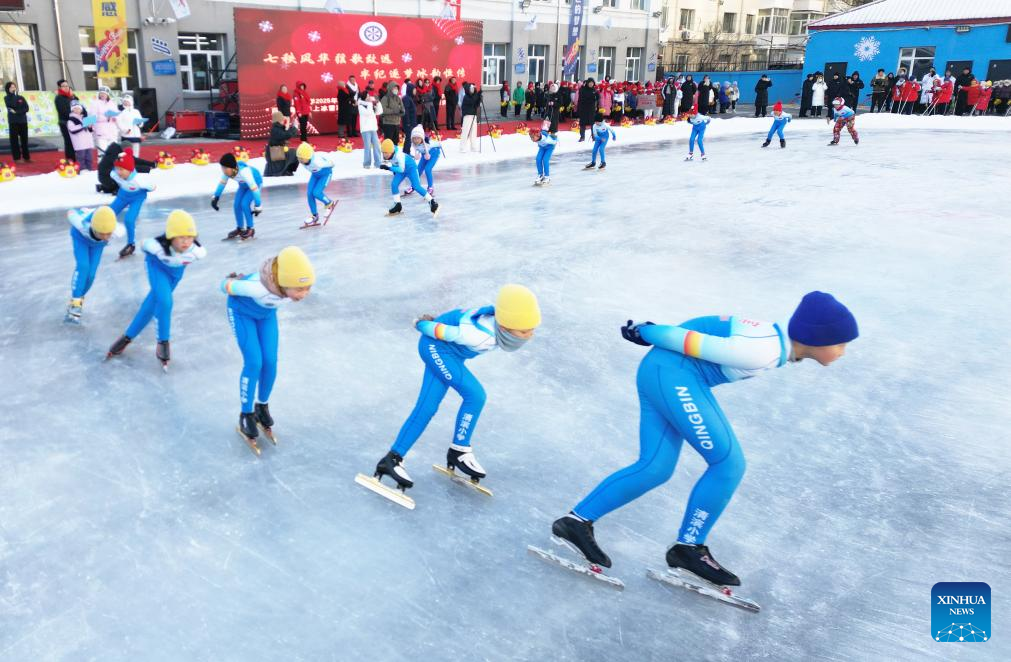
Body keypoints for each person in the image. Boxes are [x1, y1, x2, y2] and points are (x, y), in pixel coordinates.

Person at [549, 292, 858, 588]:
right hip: (673, 375)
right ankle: (689, 548)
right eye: (841, 343)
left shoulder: (771, 340)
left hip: (663, 373)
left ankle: (575, 522)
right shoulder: (763, 350)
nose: (843, 351)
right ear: (818, 339)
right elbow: (686, 340)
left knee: (655, 467)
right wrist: (646, 331)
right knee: (728, 464)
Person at [370, 285, 541, 494]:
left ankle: (393, 459)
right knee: (475, 395)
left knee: (427, 406)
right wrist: (421, 323)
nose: (530, 335)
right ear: (504, 327)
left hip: (451, 353)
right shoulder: (479, 335)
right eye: (524, 331)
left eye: (532, 329)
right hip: (436, 347)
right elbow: (441, 331)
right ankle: (458, 451)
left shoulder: (500, 323)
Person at [222, 246, 315, 453]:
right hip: (241, 313)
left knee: (270, 362)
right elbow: (224, 286)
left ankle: (261, 406)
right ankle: (246, 414)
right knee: (254, 362)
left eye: (308, 288)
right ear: (284, 284)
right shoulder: (257, 288)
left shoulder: (287, 285)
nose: (304, 294)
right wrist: (233, 281)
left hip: (265, 316)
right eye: (300, 289)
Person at [106, 210, 206, 369]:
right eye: (181, 237)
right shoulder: (155, 247)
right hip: (157, 269)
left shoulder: (197, 252)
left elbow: (192, 251)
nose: (186, 242)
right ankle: (163, 342)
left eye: (189, 237)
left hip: (175, 276)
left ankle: (127, 337)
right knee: (165, 302)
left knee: (152, 305)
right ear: (171, 236)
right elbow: (143, 244)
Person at [64, 206, 124, 324]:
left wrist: (103, 237)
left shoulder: (117, 231)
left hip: (97, 245)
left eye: (109, 234)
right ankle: (76, 305)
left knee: (91, 275)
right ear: (94, 228)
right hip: (80, 239)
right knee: (83, 266)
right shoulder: (82, 224)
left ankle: (77, 300)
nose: (106, 237)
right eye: (102, 233)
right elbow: (70, 212)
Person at [109, 150, 156, 258]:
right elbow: (115, 169)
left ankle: (131, 244)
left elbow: (153, 187)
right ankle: (94, 228)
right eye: (117, 169)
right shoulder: (114, 174)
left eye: (121, 169)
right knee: (108, 213)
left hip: (137, 198)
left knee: (129, 220)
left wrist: (144, 191)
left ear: (130, 170)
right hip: (123, 196)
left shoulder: (139, 180)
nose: (119, 172)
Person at [379, 138, 439, 216]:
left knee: (416, 186)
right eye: (383, 153)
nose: (385, 155)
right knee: (394, 184)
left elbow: (401, 169)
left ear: (391, 151)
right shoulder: (390, 153)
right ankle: (397, 205)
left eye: (386, 153)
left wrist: (389, 168)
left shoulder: (399, 155)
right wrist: (391, 169)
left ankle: (432, 202)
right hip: (401, 169)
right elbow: (395, 164)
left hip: (411, 169)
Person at [212, 152, 263, 240]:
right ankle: (240, 228)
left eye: (224, 168)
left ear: (231, 167)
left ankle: (250, 229)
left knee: (244, 204)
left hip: (255, 184)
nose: (223, 170)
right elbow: (222, 184)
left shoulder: (244, 172)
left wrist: (258, 205)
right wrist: (215, 197)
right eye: (222, 168)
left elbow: (254, 189)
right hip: (243, 186)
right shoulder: (228, 172)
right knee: (236, 205)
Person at [296, 142, 336, 227]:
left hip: (325, 175)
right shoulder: (303, 161)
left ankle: (329, 204)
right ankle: (315, 216)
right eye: (299, 158)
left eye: (302, 159)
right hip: (315, 175)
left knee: (316, 193)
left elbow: (331, 163)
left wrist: (330, 165)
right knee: (309, 194)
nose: (301, 161)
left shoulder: (317, 161)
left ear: (308, 157)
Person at [89, 85, 120, 159]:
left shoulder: (112, 103)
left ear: (108, 95)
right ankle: (102, 168)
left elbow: (117, 115)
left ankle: (112, 167)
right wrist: (105, 118)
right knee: (102, 151)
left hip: (112, 130)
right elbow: (92, 117)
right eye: (101, 93)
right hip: (101, 130)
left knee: (113, 150)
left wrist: (115, 117)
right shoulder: (95, 103)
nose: (103, 95)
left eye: (105, 93)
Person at [409, 124, 441, 195]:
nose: (416, 140)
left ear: (422, 138)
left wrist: (438, 145)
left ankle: (430, 187)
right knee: (417, 170)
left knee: (427, 169)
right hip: (425, 155)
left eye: (418, 138)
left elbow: (437, 145)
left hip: (434, 153)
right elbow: (417, 151)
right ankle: (413, 186)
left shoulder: (427, 144)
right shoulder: (414, 144)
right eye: (414, 138)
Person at [264, 110, 298, 177]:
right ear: (278, 120)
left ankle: (287, 170)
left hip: (276, 151)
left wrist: (293, 127)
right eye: (282, 119)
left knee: (294, 152)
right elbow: (286, 135)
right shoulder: (275, 129)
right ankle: (287, 170)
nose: (283, 120)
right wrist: (295, 128)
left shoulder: (277, 127)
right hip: (275, 153)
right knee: (295, 153)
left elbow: (286, 133)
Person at [4, 81, 30, 162]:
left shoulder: (21, 97)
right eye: (11, 87)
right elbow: (12, 106)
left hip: (23, 121)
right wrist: (13, 95)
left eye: (14, 87)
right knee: (14, 140)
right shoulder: (7, 98)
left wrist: (18, 112)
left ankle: (26, 157)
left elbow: (26, 108)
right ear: (8, 89)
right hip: (13, 121)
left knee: (24, 140)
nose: (13, 88)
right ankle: (17, 158)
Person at [55, 79, 80, 161]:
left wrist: (73, 96)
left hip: (72, 122)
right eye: (64, 86)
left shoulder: (70, 97)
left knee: (74, 141)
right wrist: (74, 115)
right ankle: (70, 159)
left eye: (67, 86)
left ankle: (74, 158)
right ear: (59, 87)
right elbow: (64, 111)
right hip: (65, 123)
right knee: (69, 141)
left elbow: (77, 106)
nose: (66, 88)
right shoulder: (59, 98)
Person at [358, 92, 383, 169]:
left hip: (373, 128)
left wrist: (378, 103)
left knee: (377, 146)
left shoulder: (370, 105)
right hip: (365, 129)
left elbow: (379, 112)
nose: (369, 97)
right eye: (367, 96)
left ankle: (378, 163)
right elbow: (368, 113)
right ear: (364, 97)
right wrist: (370, 104)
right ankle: (366, 163)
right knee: (367, 147)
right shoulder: (361, 105)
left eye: (369, 96)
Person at [67, 101, 95, 171]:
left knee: (89, 158)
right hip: (79, 143)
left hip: (88, 142)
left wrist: (90, 127)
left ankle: (89, 170)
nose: (77, 110)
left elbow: (91, 130)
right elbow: (72, 130)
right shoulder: (71, 120)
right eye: (75, 109)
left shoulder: (85, 118)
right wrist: (83, 125)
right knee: (81, 158)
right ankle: (82, 171)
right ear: (72, 110)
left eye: (79, 109)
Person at [115, 93, 144, 158]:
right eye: (124, 101)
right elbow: (118, 122)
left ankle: (135, 165)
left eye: (127, 101)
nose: (126, 103)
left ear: (131, 102)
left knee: (135, 154)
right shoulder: (121, 112)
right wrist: (125, 130)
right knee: (125, 153)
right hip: (126, 135)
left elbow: (141, 122)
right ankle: (126, 166)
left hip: (136, 135)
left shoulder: (136, 111)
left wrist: (140, 123)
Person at [459, 82, 481, 153]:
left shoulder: (474, 96)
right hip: (467, 116)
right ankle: (462, 147)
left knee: (473, 132)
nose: (472, 90)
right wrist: (478, 94)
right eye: (471, 89)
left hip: (474, 115)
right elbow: (472, 101)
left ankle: (473, 147)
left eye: (473, 89)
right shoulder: (466, 97)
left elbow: (476, 104)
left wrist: (479, 98)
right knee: (465, 132)